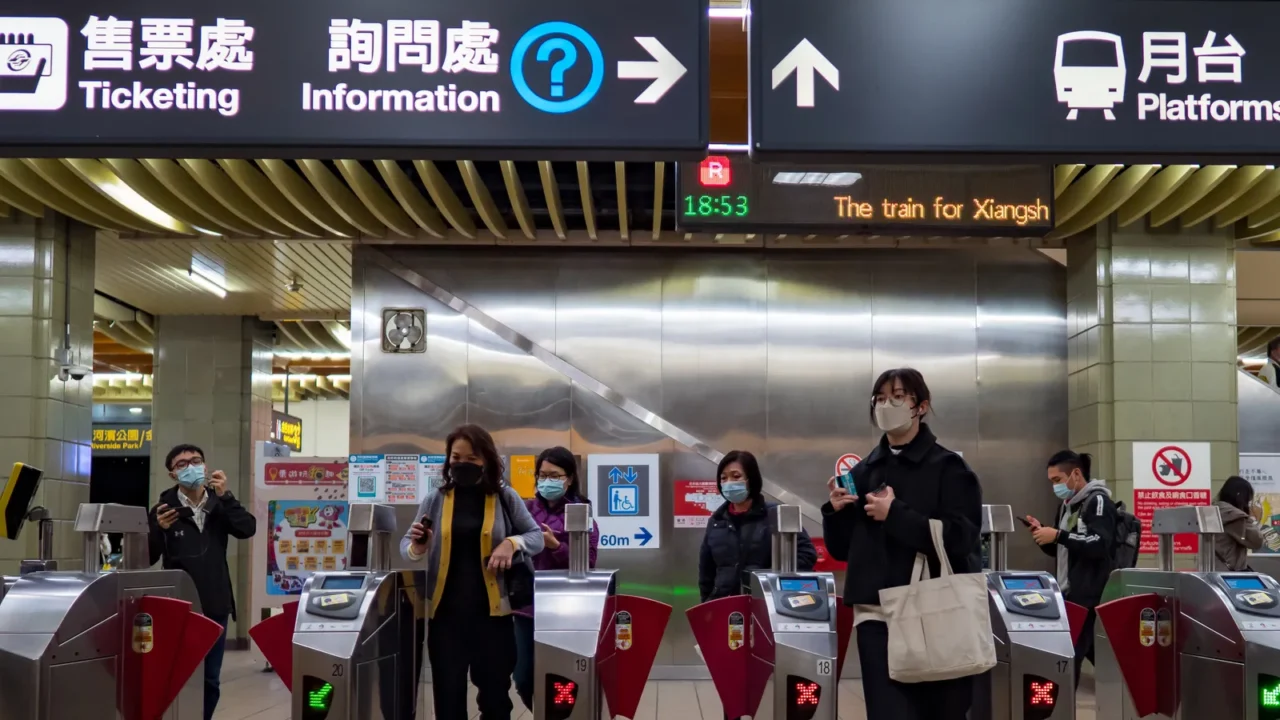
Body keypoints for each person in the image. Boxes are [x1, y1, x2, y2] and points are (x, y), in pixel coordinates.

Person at [822, 368, 983, 720]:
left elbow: (962, 538)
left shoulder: (950, 468)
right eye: (880, 398)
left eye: (897, 397)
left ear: (920, 406)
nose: (886, 405)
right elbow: (842, 549)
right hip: (878, 617)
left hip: (935, 613)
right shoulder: (864, 471)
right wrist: (835, 513)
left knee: (939, 711)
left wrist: (896, 514)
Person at [400, 425, 544, 720]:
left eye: (472, 458)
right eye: (456, 456)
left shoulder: (505, 497)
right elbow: (407, 546)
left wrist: (511, 543)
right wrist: (418, 546)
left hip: (493, 620)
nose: (462, 464)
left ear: (487, 460)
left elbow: (536, 537)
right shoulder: (435, 499)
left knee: (495, 701)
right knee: (448, 702)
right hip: (445, 619)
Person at [148, 444, 257, 720]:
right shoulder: (162, 509)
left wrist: (227, 496)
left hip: (215, 602)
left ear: (206, 467)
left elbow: (247, 528)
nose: (190, 467)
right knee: (179, 676)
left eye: (195, 461)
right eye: (182, 464)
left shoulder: (219, 505)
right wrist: (159, 530)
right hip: (178, 607)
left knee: (210, 679)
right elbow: (147, 556)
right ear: (173, 475)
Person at [512, 447, 600, 710]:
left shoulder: (581, 511)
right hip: (527, 607)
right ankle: (541, 713)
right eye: (542, 475)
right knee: (523, 676)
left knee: (561, 675)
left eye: (554, 475)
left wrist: (553, 545)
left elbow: (589, 561)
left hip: (565, 608)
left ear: (569, 478)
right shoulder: (524, 510)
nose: (546, 481)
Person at [1025, 450, 1116, 688]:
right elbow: (1062, 549)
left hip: (1087, 597)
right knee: (1092, 655)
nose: (1055, 487)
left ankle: (1063, 709)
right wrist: (1044, 534)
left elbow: (1100, 544)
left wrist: (1058, 535)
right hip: (1068, 593)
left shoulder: (1096, 501)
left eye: (1057, 480)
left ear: (1075, 474)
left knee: (1070, 656)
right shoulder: (1067, 506)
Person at [698, 449, 818, 603]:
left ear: (751, 479)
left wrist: (771, 578)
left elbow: (807, 554)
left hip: (767, 603)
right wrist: (707, 605)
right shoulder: (716, 521)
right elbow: (706, 572)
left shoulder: (775, 515)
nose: (729, 483)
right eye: (723, 478)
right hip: (725, 605)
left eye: (736, 476)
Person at [1215, 475, 1264, 571]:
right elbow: (1257, 540)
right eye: (1247, 500)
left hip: (1212, 573)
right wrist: (1246, 517)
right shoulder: (1234, 516)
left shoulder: (1214, 511)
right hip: (1229, 576)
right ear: (1241, 497)